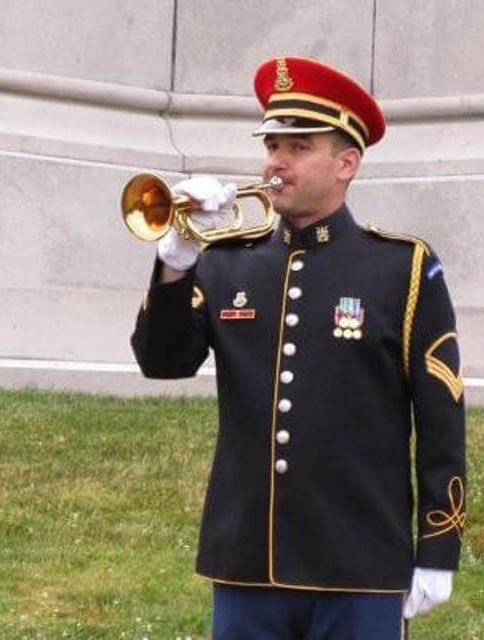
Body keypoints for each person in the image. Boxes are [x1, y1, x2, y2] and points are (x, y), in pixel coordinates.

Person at [131, 56, 466, 639]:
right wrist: (174, 260)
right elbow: (162, 362)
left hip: (360, 566)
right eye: (272, 146)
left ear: (346, 163)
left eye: (298, 147)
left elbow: (440, 416)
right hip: (247, 564)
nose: (275, 163)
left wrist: (438, 545)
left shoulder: (402, 267)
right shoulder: (228, 258)